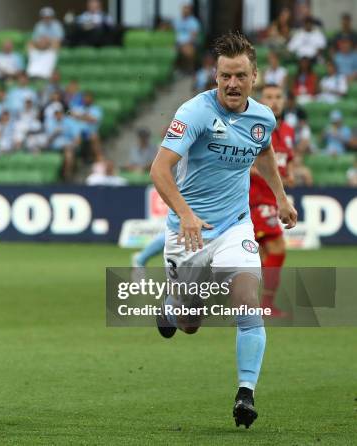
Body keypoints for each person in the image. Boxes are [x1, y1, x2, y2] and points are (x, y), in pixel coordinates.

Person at [149, 32, 297, 429]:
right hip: (189, 232)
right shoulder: (195, 112)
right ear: (215, 76)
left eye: (240, 76)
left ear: (254, 76)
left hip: (235, 226)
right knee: (190, 322)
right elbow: (159, 170)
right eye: (224, 76)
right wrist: (186, 215)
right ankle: (171, 306)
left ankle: (245, 393)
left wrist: (281, 197)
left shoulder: (263, 117)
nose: (232, 84)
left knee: (249, 307)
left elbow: (263, 151)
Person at [249, 84, 294, 318]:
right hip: (255, 200)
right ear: (260, 100)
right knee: (276, 249)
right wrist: (269, 173)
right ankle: (263, 304)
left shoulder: (287, 130)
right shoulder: (254, 127)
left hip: (272, 199)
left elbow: (288, 159)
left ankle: (255, 304)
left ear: (284, 101)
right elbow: (243, 164)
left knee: (261, 255)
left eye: (278, 97)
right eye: (269, 97)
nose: (274, 101)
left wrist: (290, 173)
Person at [174, 3, 201, 73]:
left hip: (189, 43)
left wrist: (185, 44)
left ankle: (189, 70)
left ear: (189, 11)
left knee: (188, 51)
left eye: (186, 10)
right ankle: (178, 70)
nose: (184, 11)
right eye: (183, 10)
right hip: (177, 43)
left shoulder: (193, 22)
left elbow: (194, 36)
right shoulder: (177, 21)